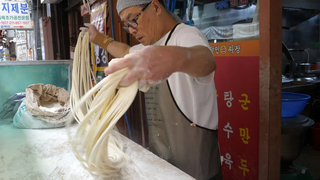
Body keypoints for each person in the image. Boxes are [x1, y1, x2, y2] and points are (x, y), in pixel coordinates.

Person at [82, 0, 221, 179]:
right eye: (126, 25)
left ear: (155, 7)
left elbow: (207, 61)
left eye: (132, 19)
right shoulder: (146, 49)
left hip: (197, 167)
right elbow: (126, 51)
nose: (131, 29)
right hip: (162, 161)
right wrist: (98, 38)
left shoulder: (185, 35)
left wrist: (171, 58)